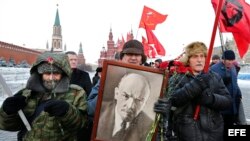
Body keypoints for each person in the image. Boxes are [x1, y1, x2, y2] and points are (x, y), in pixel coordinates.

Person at [154, 41, 232, 141]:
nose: (199, 60)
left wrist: (210, 99)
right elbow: (173, 100)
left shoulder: (214, 77)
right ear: (188, 59)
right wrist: (195, 85)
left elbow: (227, 101)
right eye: (195, 56)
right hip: (187, 134)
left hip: (214, 134)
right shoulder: (178, 77)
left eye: (202, 56)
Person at [0, 52, 87, 140]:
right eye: (47, 73)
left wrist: (67, 111)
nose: (51, 78)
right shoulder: (26, 94)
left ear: (63, 74)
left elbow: (82, 125)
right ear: (40, 75)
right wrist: (7, 112)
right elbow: (9, 126)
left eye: (56, 74)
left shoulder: (76, 93)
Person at [87, 39, 147, 140]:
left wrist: (162, 108)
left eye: (137, 55)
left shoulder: (154, 80)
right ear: (122, 57)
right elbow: (90, 109)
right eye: (129, 54)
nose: (133, 58)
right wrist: (105, 88)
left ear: (142, 59)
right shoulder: (107, 76)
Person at [96, 73, 152, 141]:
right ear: (116, 93)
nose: (130, 105)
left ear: (145, 104)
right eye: (126, 96)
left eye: (138, 100)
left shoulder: (150, 127)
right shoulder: (99, 110)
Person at [210, 50, 242, 126]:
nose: (230, 62)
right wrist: (223, 82)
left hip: (233, 104)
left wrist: (239, 93)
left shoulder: (233, 68)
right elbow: (211, 87)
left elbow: (235, 82)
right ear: (223, 59)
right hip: (221, 106)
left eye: (232, 60)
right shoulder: (214, 69)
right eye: (228, 60)